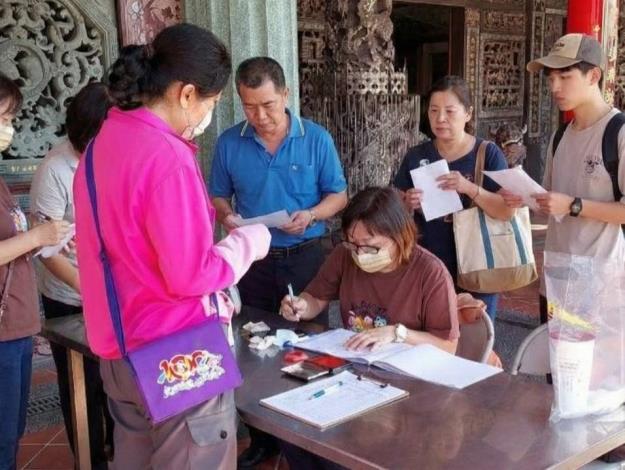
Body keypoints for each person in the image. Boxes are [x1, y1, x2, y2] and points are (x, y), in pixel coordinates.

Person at [72, 25, 270, 469]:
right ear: (186, 94)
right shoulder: (168, 156)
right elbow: (190, 274)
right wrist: (247, 244)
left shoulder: (100, 145)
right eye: (211, 104)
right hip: (177, 351)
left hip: (117, 349)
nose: (207, 115)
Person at [208, 56, 347, 467]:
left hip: (304, 257)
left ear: (286, 95)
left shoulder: (315, 138)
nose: (260, 116)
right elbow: (218, 195)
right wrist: (226, 216)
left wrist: (313, 215)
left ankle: (310, 436)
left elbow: (339, 195)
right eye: (249, 106)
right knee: (253, 347)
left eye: (268, 105)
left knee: (307, 345)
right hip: (251, 261)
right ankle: (264, 440)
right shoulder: (230, 143)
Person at [277, 186, 459, 470]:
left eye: (370, 246)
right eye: (353, 244)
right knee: (292, 428)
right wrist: (300, 305)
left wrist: (398, 333)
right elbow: (316, 298)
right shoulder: (344, 257)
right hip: (352, 377)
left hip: (409, 391)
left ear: (400, 236)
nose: (360, 254)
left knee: (355, 452)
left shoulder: (430, 272)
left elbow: (448, 346)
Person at [29, 82, 114, 469]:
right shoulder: (55, 168)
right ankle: (90, 458)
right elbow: (44, 247)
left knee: (114, 378)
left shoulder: (116, 158)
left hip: (112, 291)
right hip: (69, 294)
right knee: (80, 382)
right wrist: (88, 290)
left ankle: (118, 450)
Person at [393, 75, 514, 320]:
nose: (440, 118)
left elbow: (506, 210)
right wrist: (407, 203)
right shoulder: (417, 155)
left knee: (474, 332)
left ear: (468, 113)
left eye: (449, 111)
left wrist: (469, 188)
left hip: (478, 262)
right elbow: (394, 205)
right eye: (434, 110)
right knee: (430, 330)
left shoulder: (488, 154)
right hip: (429, 261)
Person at [0, 73, 71, 470]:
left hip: (16, 322)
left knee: (11, 433)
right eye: (3, 118)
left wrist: (52, 238)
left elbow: (16, 238)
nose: (8, 129)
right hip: (2, 327)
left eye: (10, 119)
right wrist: (36, 237)